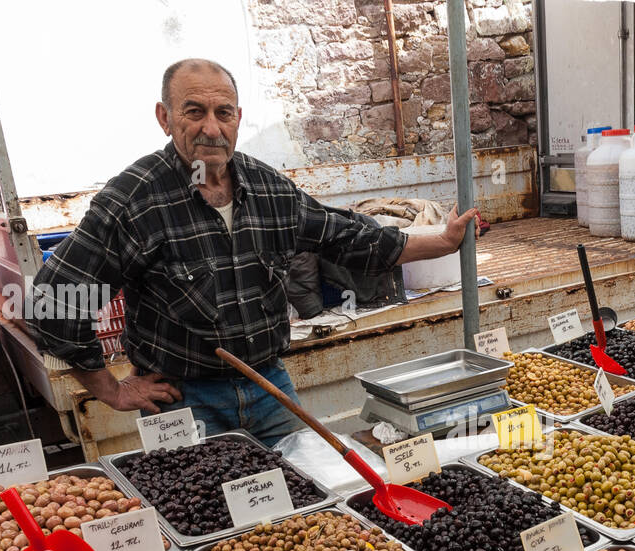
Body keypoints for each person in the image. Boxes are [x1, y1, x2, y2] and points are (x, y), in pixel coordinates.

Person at [31, 57, 476, 447]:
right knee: (206, 519)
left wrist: (441, 241)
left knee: (309, 500)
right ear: (164, 118)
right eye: (194, 112)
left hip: (268, 384)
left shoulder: (267, 188)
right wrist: (111, 389)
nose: (211, 127)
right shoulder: (135, 201)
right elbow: (54, 301)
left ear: (238, 117)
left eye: (223, 112)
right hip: (184, 400)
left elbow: (348, 237)